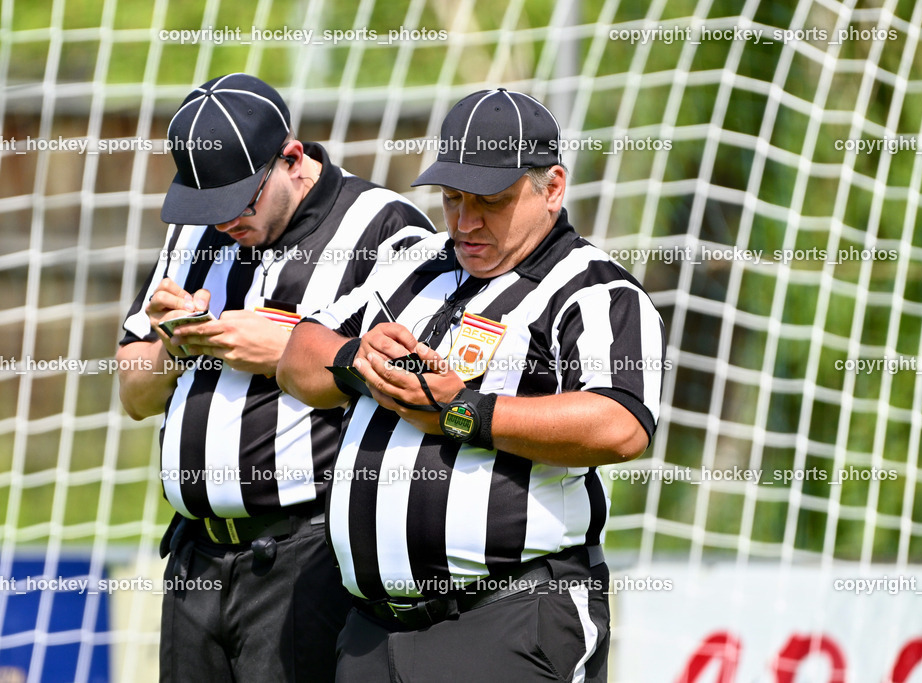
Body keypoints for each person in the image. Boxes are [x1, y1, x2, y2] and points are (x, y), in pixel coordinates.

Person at [277, 88, 667, 681]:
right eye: (452, 198)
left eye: (491, 201)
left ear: (552, 188)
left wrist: (463, 413)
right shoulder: (414, 262)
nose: (465, 222)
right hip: (367, 632)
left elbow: (621, 426)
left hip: (507, 619)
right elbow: (297, 357)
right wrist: (356, 359)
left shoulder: (595, 290)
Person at [115, 73, 435, 682]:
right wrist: (174, 345)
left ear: (290, 158)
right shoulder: (195, 230)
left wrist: (284, 351)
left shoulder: (384, 226)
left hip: (304, 557)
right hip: (194, 558)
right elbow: (134, 394)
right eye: (208, 206)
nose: (223, 221)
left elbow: (419, 384)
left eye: (240, 200)